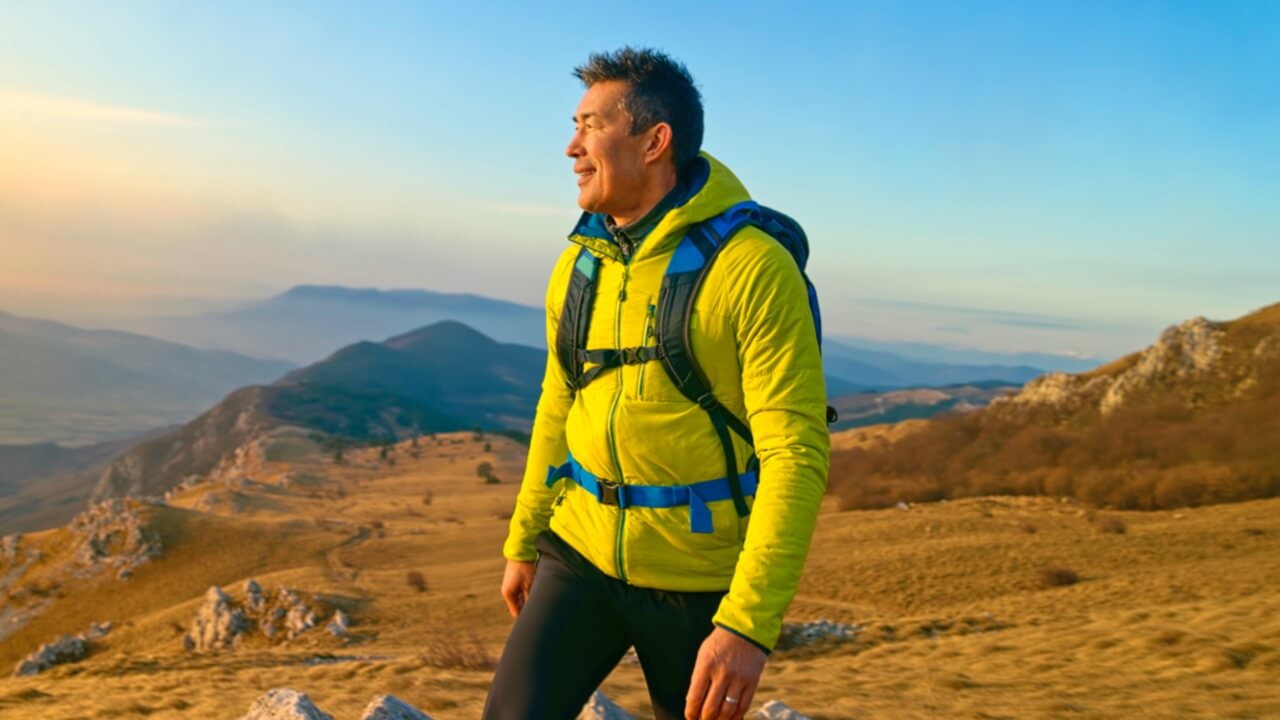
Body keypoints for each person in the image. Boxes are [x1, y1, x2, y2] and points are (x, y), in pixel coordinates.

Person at [483, 47, 829, 720]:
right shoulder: (581, 264)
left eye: (589, 124)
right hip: (578, 552)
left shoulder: (751, 268)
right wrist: (524, 539)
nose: (570, 146)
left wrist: (747, 625)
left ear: (654, 141)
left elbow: (795, 453)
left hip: (697, 580)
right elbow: (560, 401)